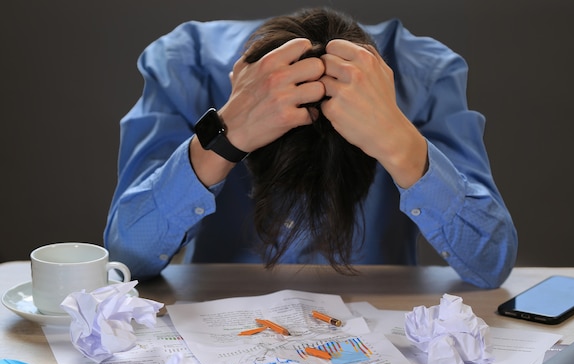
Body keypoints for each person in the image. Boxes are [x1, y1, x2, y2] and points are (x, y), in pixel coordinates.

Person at [104, 7, 517, 288]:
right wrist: (225, 138)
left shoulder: (426, 75)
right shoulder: (183, 64)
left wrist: (398, 140)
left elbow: (490, 263)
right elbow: (126, 258)